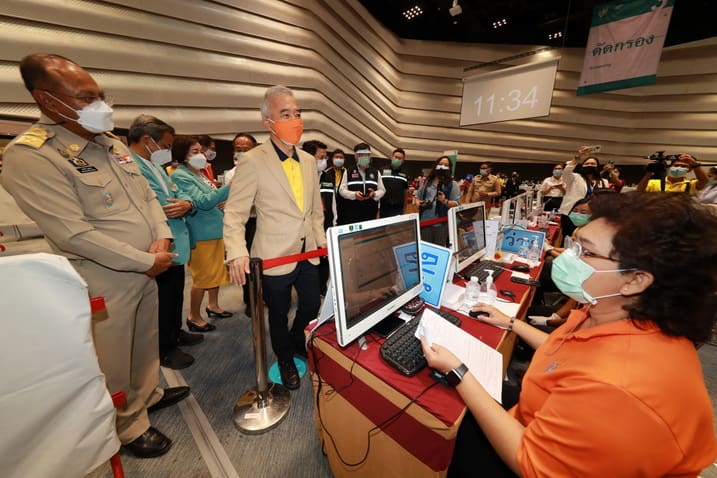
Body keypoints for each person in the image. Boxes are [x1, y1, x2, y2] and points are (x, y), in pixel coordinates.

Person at [422, 191, 717, 477]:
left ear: (636, 280)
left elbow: (533, 465)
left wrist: (459, 371)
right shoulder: (609, 313)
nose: (568, 258)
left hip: (534, 454)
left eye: (586, 252)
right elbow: (568, 352)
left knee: (438, 428)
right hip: (538, 411)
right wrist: (510, 323)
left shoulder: (620, 389)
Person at [1, 54, 189, 458]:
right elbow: (72, 233)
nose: (100, 105)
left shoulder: (109, 143)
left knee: (144, 341)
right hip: (105, 275)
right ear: (48, 100)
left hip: (147, 264)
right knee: (113, 354)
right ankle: (126, 423)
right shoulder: (32, 155)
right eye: (87, 98)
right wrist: (144, 261)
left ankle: (147, 395)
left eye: (100, 96)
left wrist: (161, 237)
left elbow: (147, 197)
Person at [224, 85, 326, 390]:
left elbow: (314, 210)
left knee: (311, 304)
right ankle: (284, 357)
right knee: (278, 313)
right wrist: (236, 251)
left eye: (297, 113)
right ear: (269, 122)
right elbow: (235, 212)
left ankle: (296, 340)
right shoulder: (252, 160)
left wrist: (320, 241)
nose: (295, 120)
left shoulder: (308, 160)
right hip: (272, 255)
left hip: (308, 252)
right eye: (285, 114)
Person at [128, 115, 204, 370]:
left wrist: (185, 202)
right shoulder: (129, 165)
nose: (168, 152)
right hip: (156, 242)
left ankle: (175, 331)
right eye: (166, 146)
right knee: (162, 299)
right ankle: (165, 348)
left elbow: (174, 193)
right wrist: (178, 204)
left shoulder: (155, 164)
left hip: (175, 240)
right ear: (147, 140)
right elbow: (159, 203)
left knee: (174, 294)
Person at [171, 135, 232, 332]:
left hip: (215, 229)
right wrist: (229, 187)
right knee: (202, 277)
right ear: (183, 155)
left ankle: (213, 305)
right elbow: (203, 202)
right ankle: (193, 316)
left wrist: (222, 198)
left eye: (201, 151)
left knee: (215, 272)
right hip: (202, 232)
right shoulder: (180, 176)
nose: (201, 155)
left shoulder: (199, 173)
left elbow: (211, 197)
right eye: (195, 152)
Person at [225, 132, 259, 315]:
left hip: (261, 222)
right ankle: (250, 300)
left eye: (246, 149)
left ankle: (263, 295)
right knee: (246, 263)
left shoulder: (262, 171)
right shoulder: (231, 175)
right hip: (244, 225)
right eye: (238, 149)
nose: (242, 152)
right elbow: (233, 204)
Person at [416, 155, 460, 247]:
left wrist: (445, 201)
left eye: (446, 165)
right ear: (436, 165)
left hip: (441, 223)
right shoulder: (426, 181)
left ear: (449, 168)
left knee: (439, 248)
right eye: (440, 164)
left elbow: (456, 204)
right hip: (424, 221)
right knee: (425, 247)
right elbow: (417, 197)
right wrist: (418, 203)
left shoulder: (453, 184)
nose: (442, 166)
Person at [338, 142, 386, 224]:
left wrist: (374, 194)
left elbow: (382, 190)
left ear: (369, 156)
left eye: (366, 154)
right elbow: (342, 190)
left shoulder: (375, 172)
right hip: (352, 214)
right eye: (360, 155)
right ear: (355, 156)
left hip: (370, 214)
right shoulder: (348, 171)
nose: (363, 157)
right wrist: (354, 195)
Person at [557, 146, 610, 216]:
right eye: (586, 164)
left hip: (593, 214)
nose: (589, 165)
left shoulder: (604, 182)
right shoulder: (575, 177)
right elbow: (566, 171)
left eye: (593, 164)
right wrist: (579, 156)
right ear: (582, 166)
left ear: (597, 167)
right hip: (570, 213)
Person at [636, 153, 707, 193]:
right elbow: (639, 190)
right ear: (670, 166)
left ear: (689, 169)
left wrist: (695, 164)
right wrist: (649, 172)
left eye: (684, 166)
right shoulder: (654, 183)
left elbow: (704, 181)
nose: (679, 168)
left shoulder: (690, 185)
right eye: (676, 165)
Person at [380, 147, 409, 218]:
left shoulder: (405, 174)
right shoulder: (382, 170)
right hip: (384, 207)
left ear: (403, 161)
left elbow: (405, 192)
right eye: (396, 157)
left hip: (398, 209)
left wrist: (405, 208)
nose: (397, 159)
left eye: (400, 158)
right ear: (391, 157)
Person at [330, 148, 350, 225]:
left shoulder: (348, 173)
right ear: (332, 159)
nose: (338, 159)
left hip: (345, 208)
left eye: (341, 157)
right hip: (331, 208)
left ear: (344, 160)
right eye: (336, 157)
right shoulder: (327, 173)